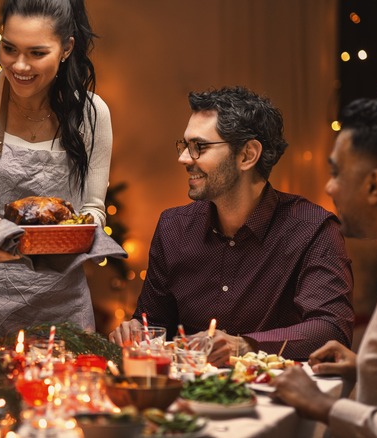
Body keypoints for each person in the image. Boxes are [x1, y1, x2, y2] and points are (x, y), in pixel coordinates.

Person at [110, 86, 355, 365]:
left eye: (199, 147)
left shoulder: (313, 229)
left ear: (248, 155)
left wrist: (243, 345)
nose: (184, 158)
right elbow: (153, 325)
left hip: (279, 399)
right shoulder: (173, 228)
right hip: (188, 397)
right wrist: (136, 331)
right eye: (185, 145)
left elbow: (331, 330)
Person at [0, 0, 113, 346]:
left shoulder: (92, 114)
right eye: (9, 48)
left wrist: (80, 232)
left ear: (66, 49)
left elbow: (93, 207)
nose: (19, 65)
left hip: (63, 316)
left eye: (36, 53)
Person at [272, 98, 377, 436]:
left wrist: (323, 405)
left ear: (373, 186)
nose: (329, 187)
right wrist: (367, 368)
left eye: (336, 172)